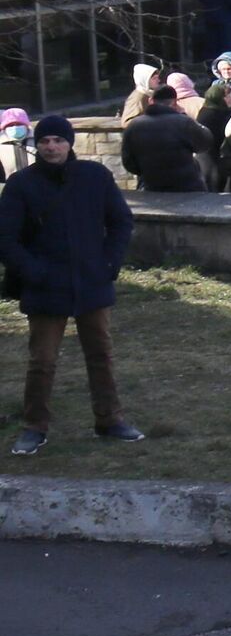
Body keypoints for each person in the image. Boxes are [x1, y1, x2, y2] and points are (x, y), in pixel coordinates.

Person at [1, 116, 140, 457]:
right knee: (42, 361)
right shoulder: (21, 185)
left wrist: (109, 262)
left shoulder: (95, 177)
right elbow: (5, 239)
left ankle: (109, 419)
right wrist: (33, 272)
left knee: (100, 354)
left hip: (91, 280)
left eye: (58, 141)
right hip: (46, 285)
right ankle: (35, 426)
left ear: (69, 143)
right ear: (37, 144)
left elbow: (120, 221)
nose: (51, 147)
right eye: (45, 141)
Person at [121, 84, 212, 192]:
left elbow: (128, 161)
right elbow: (205, 142)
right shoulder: (183, 122)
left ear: (151, 101)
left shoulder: (134, 125)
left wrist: (145, 172)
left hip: (150, 185)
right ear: (174, 102)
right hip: (186, 185)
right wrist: (184, 114)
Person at [0, 108, 30, 181]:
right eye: (10, 125)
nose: (15, 127)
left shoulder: (38, 142)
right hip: (11, 189)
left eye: (19, 124)